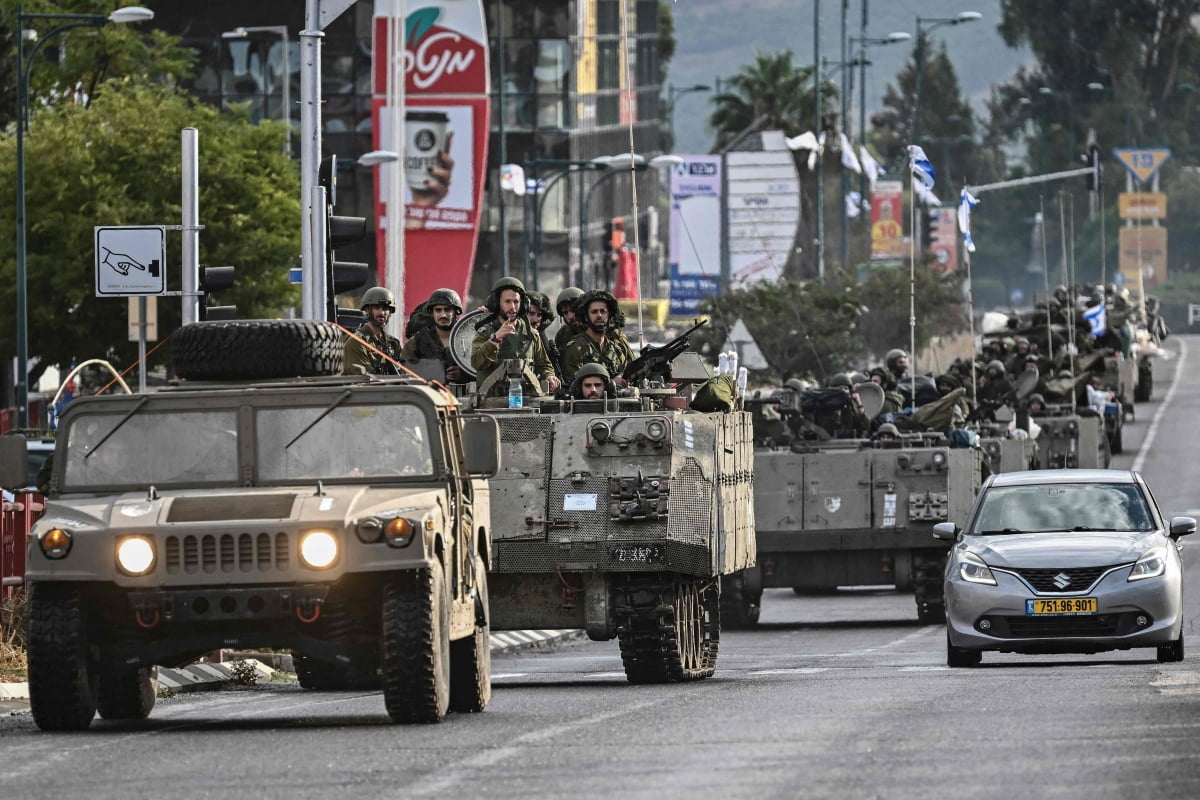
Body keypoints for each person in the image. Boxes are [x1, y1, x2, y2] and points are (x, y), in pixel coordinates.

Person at [470, 277, 560, 399]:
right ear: (497, 303)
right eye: (507, 302)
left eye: (516, 302)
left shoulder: (531, 334)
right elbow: (476, 362)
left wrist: (549, 376)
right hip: (491, 402)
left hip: (526, 400)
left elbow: (544, 365)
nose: (513, 307)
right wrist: (495, 339)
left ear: (523, 304)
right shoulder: (485, 332)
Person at [560, 290, 635, 387]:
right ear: (586, 317)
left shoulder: (616, 348)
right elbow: (574, 385)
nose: (599, 315)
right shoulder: (576, 348)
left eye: (603, 311)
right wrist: (611, 383)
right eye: (594, 312)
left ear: (609, 315)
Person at [400, 288, 465, 382]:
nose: (443, 315)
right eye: (438, 310)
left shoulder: (466, 339)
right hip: (428, 394)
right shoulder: (416, 342)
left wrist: (464, 374)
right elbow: (405, 373)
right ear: (432, 313)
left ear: (455, 312)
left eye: (447, 310)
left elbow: (481, 368)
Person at [343, 287, 403, 375]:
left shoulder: (393, 343)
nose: (382, 313)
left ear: (390, 312)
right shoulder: (357, 342)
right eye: (376, 308)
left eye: (385, 308)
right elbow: (365, 379)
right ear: (367, 309)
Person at [554, 286, 585, 352]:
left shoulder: (596, 330)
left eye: (573, 310)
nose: (570, 316)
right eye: (565, 312)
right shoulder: (562, 334)